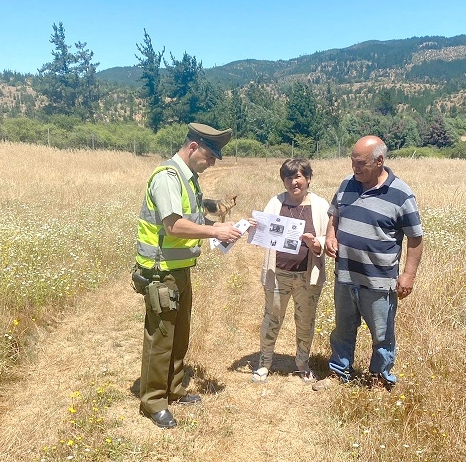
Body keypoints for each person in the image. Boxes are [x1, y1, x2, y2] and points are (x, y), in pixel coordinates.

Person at [135, 122, 244, 429]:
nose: (211, 163)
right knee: (161, 338)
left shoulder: (189, 179)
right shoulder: (168, 177)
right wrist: (215, 230)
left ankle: (175, 388)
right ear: (193, 147)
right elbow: (174, 225)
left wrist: (225, 228)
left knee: (180, 333)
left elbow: (192, 220)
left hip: (180, 269)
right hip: (161, 272)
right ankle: (153, 401)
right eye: (209, 156)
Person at [312, 135, 423, 392]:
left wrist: (408, 276)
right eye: (353, 162)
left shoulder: (401, 194)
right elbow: (334, 214)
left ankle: (380, 376)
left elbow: (416, 238)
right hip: (346, 275)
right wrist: (330, 235)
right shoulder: (347, 185)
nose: (355, 168)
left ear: (380, 161)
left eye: (361, 163)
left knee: (382, 333)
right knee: (343, 329)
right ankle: (339, 371)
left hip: (379, 280)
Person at [251, 158, 330, 384]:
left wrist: (317, 244)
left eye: (298, 177)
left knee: (305, 321)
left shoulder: (321, 206)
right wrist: (255, 229)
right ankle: (264, 363)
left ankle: (302, 363)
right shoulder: (275, 203)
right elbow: (264, 233)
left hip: (308, 276)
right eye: (288, 177)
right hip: (277, 274)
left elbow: (329, 237)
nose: (294, 182)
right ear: (283, 181)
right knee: (272, 318)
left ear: (308, 179)